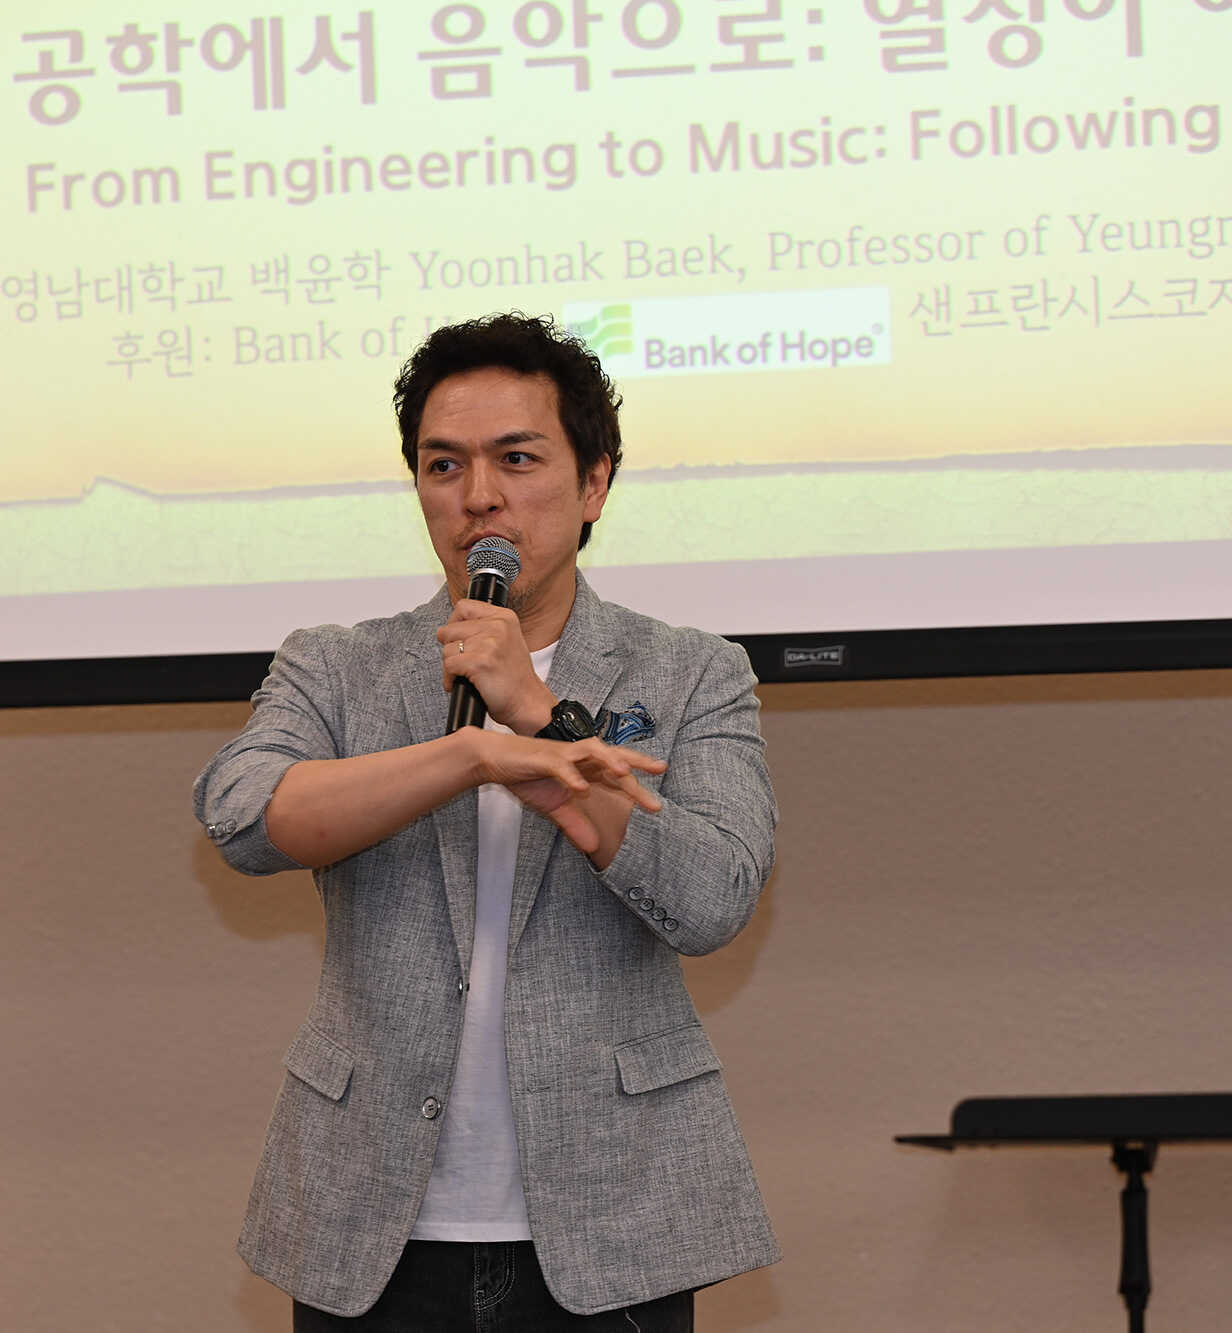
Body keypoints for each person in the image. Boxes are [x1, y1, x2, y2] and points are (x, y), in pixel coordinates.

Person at [193, 312, 777, 1330]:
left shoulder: (692, 670)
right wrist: (467, 755)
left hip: (616, 1218)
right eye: (442, 465)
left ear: (594, 483)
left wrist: (538, 720)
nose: (478, 497)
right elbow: (242, 817)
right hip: (368, 1217)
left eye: (516, 458)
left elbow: (713, 898)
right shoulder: (338, 664)